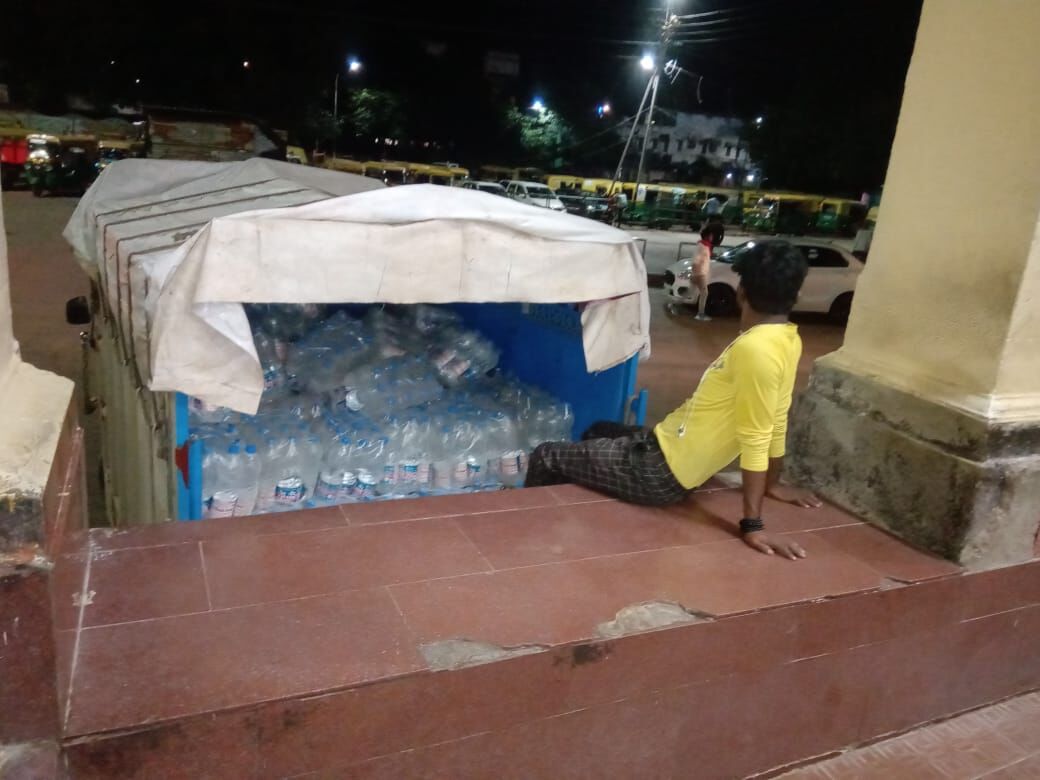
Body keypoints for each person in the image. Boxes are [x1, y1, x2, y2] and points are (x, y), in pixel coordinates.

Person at [525, 241, 822, 560]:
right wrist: (771, 483)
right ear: (796, 295)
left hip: (659, 472)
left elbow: (757, 436)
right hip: (665, 447)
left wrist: (753, 525)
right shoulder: (787, 340)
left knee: (545, 456)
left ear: (741, 292)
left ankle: (527, 540)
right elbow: (778, 417)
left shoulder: (756, 350)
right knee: (597, 429)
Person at [691, 225, 714, 322]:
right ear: (707, 235)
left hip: (699, 272)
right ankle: (700, 314)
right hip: (700, 273)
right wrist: (696, 273)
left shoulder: (705, 246)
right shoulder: (702, 246)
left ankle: (675, 305)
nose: (712, 237)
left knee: (691, 291)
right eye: (711, 235)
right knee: (704, 293)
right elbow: (696, 261)